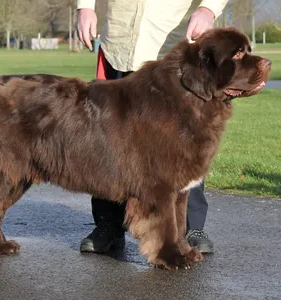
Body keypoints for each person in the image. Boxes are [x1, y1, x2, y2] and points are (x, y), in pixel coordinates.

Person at [76, 0, 229, 255]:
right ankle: (109, 226)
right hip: (119, 41)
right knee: (109, 140)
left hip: (174, 48)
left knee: (186, 143)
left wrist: (208, 9)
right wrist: (85, 7)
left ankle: (191, 228)